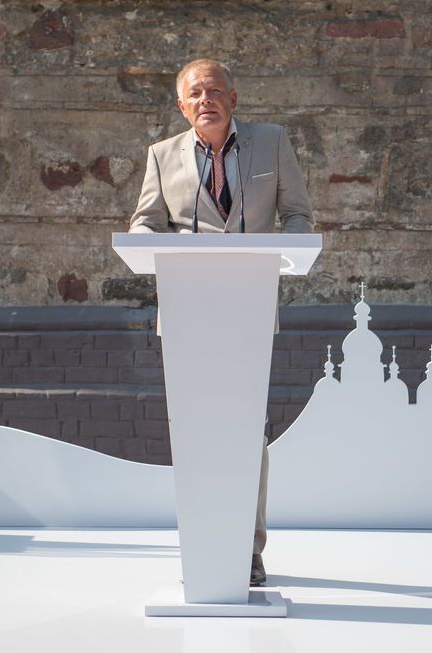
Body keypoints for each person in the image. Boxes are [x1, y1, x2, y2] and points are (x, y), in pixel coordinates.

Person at [128, 59, 314, 587]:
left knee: (247, 431)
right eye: (194, 94)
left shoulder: (271, 142)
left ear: (233, 98)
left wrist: (285, 250)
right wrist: (145, 244)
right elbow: (145, 222)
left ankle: (247, 551)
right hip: (188, 311)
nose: (204, 99)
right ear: (181, 106)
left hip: (249, 307)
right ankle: (203, 549)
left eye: (214, 91)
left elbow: (298, 213)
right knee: (193, 431)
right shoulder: (162, 155)